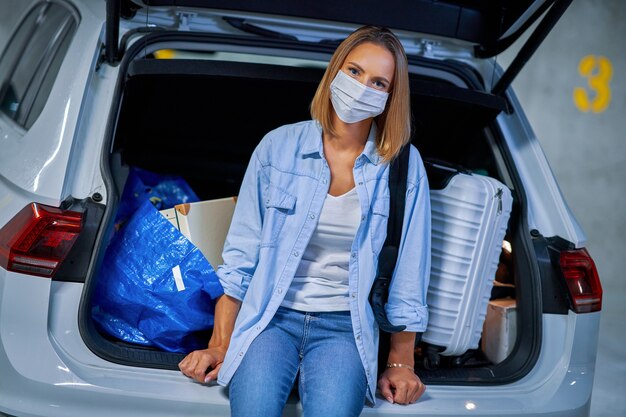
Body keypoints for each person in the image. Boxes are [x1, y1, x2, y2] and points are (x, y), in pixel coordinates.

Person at [179, 25, 431, 416]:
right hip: (270, 319)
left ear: (390, 98)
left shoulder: (402, 168)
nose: (363, 87)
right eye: (355, 71)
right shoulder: (277, 148)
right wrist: (220, 344)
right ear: (335, 71)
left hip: (344, 328)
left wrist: (402, 363)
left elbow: (409, 272)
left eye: (379, 82)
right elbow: (241, 257)